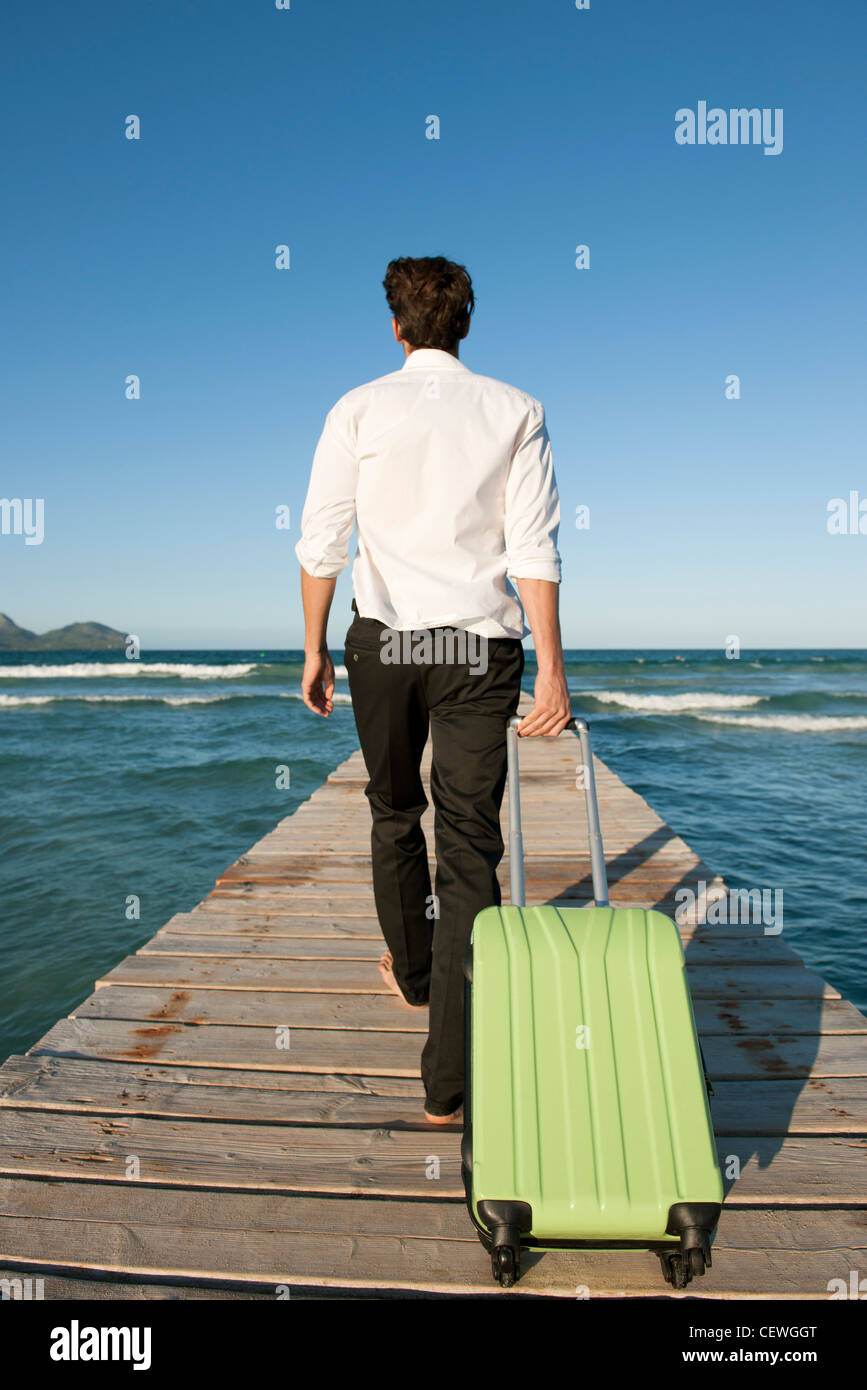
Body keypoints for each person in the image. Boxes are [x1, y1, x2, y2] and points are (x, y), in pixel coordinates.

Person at [295, 255, 571, 1123]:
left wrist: (312, 650)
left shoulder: (356, 407)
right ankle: (448, 1084)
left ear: (396, 326)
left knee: (390, 812)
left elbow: (321, 542)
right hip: (480, 649)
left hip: (383, 644)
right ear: (463, 325)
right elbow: (532, 547)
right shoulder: (515, 408)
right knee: (469, 848)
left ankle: (414, 977)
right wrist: (554, 667)